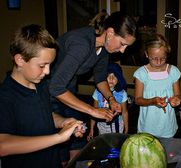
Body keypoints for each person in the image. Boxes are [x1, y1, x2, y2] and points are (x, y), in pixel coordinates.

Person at [49, 11, 136, 163]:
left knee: (77, 138)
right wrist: (93, 110)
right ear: (110, 33)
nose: (123, 51)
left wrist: (111, 99)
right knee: (59, 147)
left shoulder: (103, 49)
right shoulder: (82, 44)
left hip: (69, 91)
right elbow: (56, 87)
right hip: (47, 93)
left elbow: (100, 79)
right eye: (122, 44)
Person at [0, 24, 85, 168]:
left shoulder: (41, 85)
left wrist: (63, 122)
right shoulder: (5, 96)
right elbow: (3, 145)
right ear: (20, 60)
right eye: (42, 65)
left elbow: (45, 115)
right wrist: (58, 138)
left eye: (50, 65)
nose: (47, 72)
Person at [133, 34, 181, 138]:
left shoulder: (173, 72)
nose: (159, 62)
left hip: (167, 125)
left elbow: (178, 95)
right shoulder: (141, 74)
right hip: (147, 126)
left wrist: (176, 99)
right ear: (146, 54)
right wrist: (152, 101)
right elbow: (137, 100)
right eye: (154, 58)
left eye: (163, 58)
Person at [87, 63, 129, 141]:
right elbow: (94, 111)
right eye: (108, 75)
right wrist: (91, 129)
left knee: (117, 144)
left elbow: (125, 112)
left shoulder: (122, 93)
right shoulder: (97, 92)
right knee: (104, 144)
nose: (111, 78)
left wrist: (126, 127)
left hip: (118, 124)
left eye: (114, 76)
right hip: (102, 124)